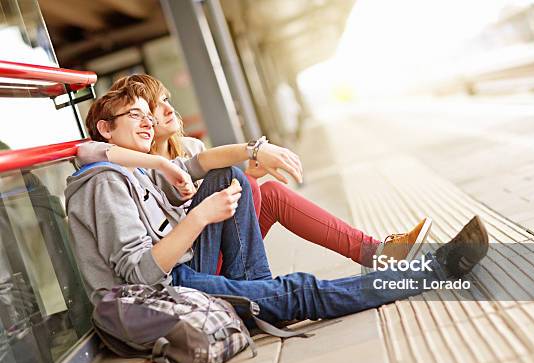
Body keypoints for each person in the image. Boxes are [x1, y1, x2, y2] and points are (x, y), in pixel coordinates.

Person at [65, 82, 489, 324]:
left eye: (148, 113)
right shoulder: (106, 183)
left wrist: (252, 151)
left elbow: (198, 163)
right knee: (300, 291)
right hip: (165, 293)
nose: (150, 120)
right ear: (105, 129)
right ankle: (431, 270)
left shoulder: (138, 167)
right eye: (138, 115)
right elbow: (141, 271)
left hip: (184, 270)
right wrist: (200, 217)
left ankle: (261, 290)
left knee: (230, 176)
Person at [107, 74, 431, 270]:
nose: (166, 110)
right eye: (152, 106)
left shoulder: (191, 149)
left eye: (166, 100)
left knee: (267, 191)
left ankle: (375, 252)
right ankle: (374, 255)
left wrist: (252, 175)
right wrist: (245, 174)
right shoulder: (137, 168)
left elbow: (229, 209)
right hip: (192, 264)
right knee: (244, 180)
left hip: (222, 247)